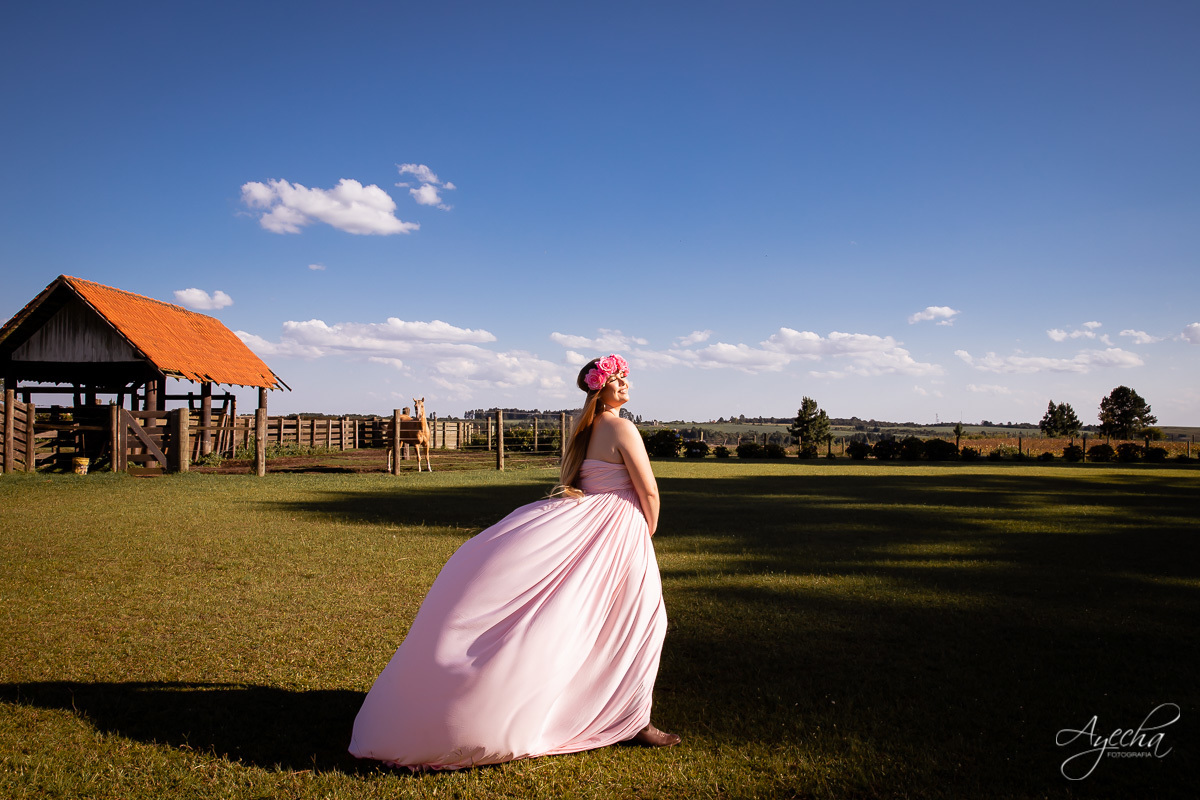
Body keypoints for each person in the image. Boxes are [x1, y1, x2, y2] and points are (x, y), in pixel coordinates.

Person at [349, 354, 679, 770]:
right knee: (639, 621)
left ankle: (623, 713)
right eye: (618, 379)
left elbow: (580, 481)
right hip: (619, 527)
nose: (626, 385)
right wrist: (646, 528)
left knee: (595, 618)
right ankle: (629, 719)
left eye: (626, 378)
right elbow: (647, 490)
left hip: (596, 523)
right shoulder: (621, 427)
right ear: (601, 387)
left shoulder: (586, 430)